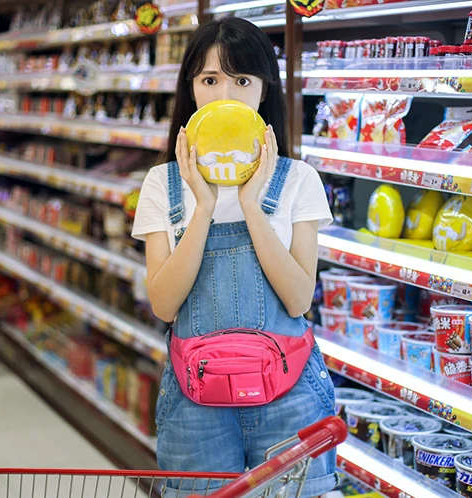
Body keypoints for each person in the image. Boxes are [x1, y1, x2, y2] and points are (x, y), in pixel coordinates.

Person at [131, 18, 336, 497]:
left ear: (264, 90)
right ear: (191, 90)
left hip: (290, 394)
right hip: (194, 402)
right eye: (210, 80)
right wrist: (203, 207)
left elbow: (298, 299)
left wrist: (251, 204)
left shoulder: (297, 179)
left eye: (242, 80)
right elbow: (164, 304)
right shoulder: (163, 184)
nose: (225, 95)